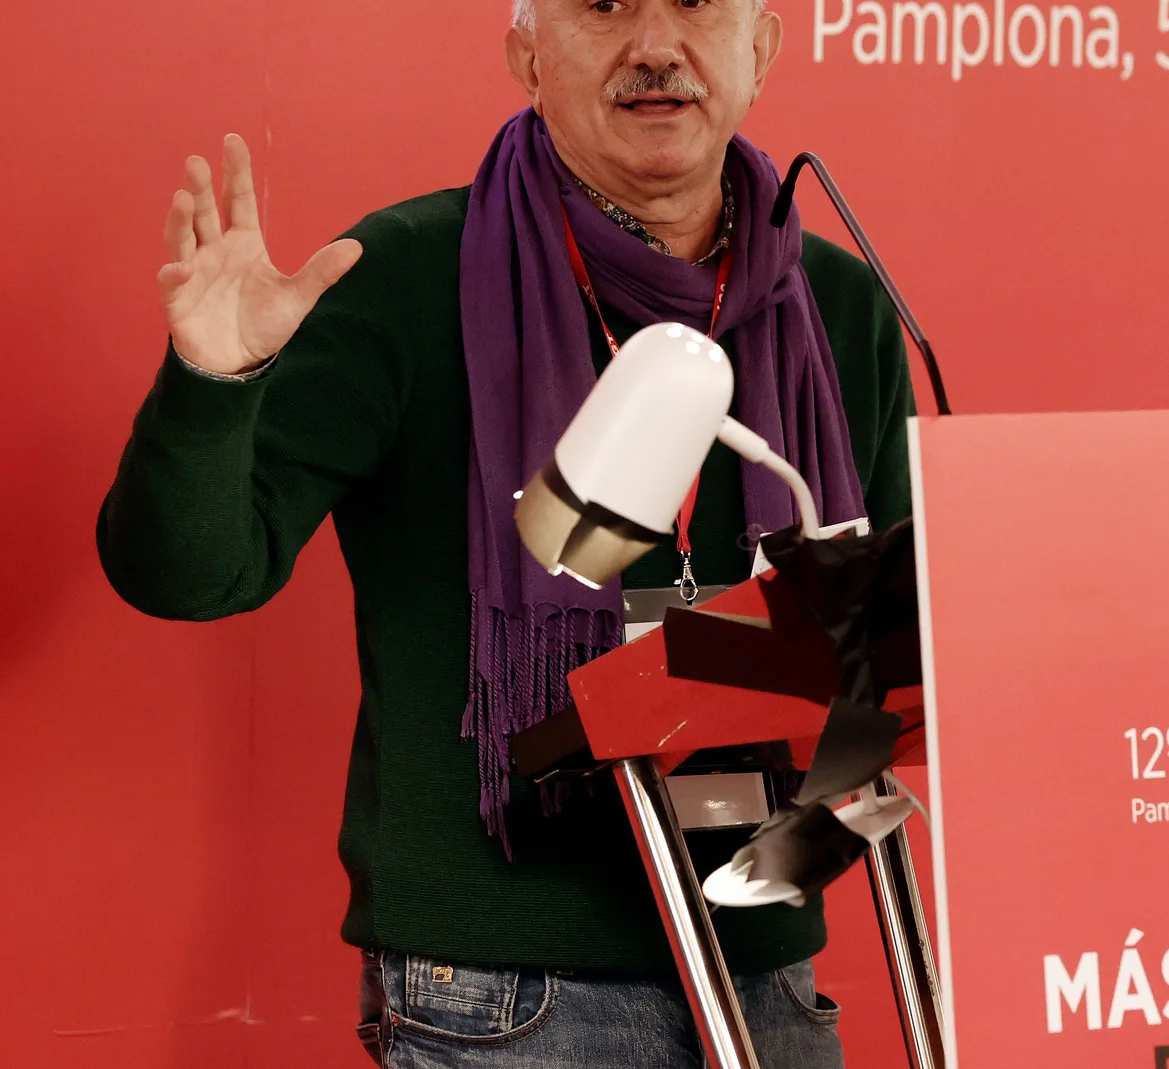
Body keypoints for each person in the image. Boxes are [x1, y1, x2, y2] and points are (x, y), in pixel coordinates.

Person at [96, 0, 914, 1064]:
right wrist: (216, 378)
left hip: (766, 981)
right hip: (501, 1000)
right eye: (604, 7)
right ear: (526, 54)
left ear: (759, 49)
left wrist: (798, 851)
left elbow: (895, 650)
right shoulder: (402, 276)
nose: (656, 46)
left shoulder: (838, 304)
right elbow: (187, 573)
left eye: (699, 6)